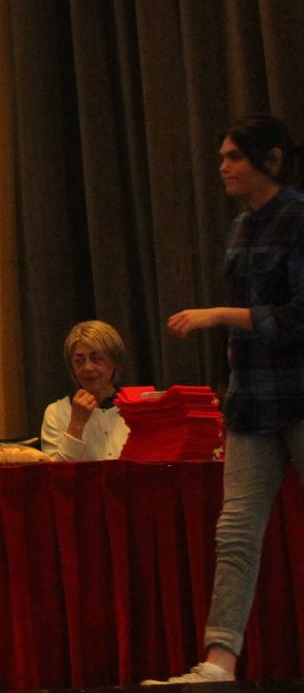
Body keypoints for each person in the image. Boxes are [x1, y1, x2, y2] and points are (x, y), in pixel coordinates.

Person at [150, 115, 304, 685]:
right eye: (221, 157)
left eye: (235, 156)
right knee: (235, 530)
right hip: (252, 402)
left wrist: (218, 317)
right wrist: (230, 371)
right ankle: (220, 660)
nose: (223, 167)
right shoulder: (240, 228)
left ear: (270, 161)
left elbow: (297, 318)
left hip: (299, 394)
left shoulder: (298, 219)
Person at [38, 319, 130, 462]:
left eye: (96, 358)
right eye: (79, 361)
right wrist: (76, 424)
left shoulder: (136, 408)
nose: (87, 368)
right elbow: (55, 476)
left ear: (115, 362)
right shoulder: (56, 412)